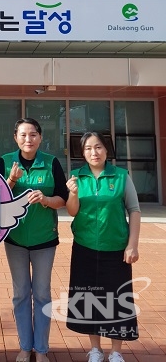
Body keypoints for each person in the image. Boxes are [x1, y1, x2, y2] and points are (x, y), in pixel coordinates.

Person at [0, 118, 69, 362]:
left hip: (44, 240)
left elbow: (64, 199)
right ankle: (25, 347)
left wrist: (47, 200)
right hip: (15, 240)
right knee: (20, 294)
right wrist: (12, 180)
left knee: (42, 294)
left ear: (40, 137)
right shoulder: (6, 161)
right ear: (15, 136)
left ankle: (41, 349)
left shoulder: (51, 162)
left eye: (33, 134)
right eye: (23, 135)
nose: (29, 139)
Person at [65, 132, 141, 362]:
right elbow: (72, 211)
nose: (93, 152)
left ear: (106, 150)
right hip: (85, 247)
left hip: (116, 248)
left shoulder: (120, 176)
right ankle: (95, 349)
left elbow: (134, 210)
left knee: (117, 299)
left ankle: (116, 351)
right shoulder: (77, 177)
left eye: (98, 147)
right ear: (82, 153)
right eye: (88, 149)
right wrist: (73, 193)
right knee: (89, 298)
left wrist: (132, 245)